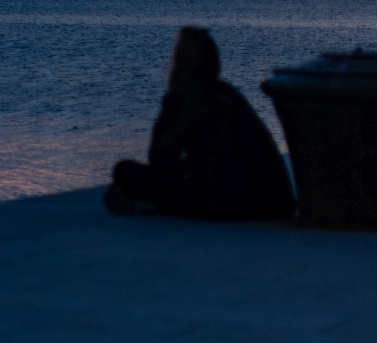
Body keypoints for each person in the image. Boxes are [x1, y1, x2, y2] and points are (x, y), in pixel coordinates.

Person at [105, 26, 295, 219]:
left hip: (226, 201)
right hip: (272, 202)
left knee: (124, 171)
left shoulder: (185, 95)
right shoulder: (227, 93)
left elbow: (161, 157)